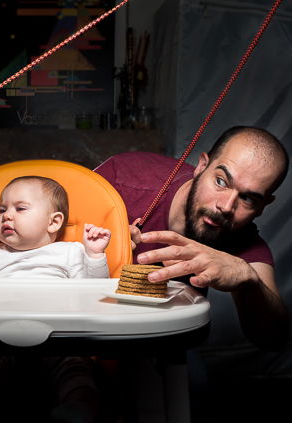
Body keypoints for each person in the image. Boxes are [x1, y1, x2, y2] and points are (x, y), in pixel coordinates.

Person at [0, 175, 112, 423]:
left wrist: (95, 256)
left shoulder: (71, 252)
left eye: (20, 209)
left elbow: (93, 293)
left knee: (75, 371)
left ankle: (78, 409)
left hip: (59, 342)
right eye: (2, 210)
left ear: (54, 222)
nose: (7, 216)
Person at [95, 126, 290, 350]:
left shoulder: (240, 233)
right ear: (202, 166)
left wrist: (249, 281)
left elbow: (274, 338)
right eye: (221, 181)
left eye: (247, 198)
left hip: (165, 345)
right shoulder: (121, 180)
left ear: (263, 206)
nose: (226, 207)